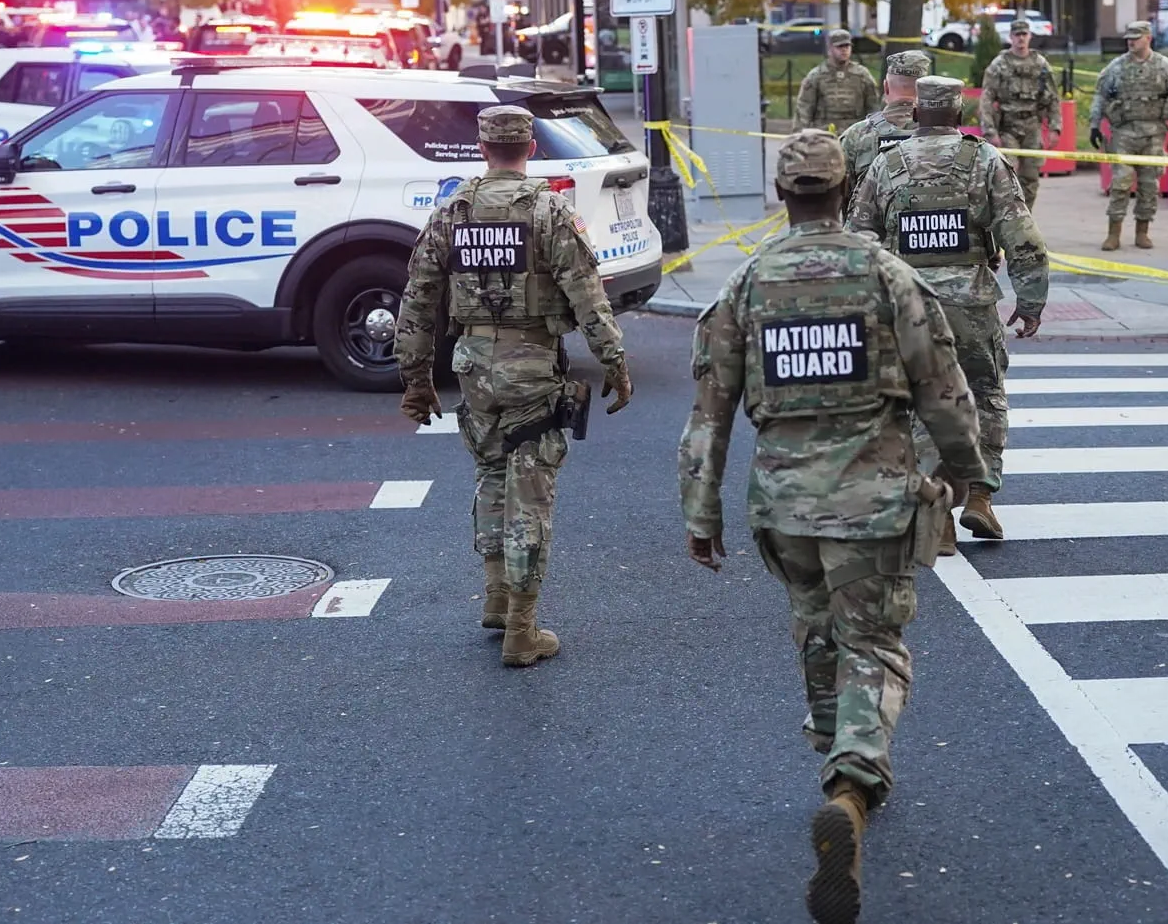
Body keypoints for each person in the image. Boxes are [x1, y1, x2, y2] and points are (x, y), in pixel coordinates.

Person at [679, 130, 993, 924]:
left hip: (783, 505)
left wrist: (700, 507)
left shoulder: (747, 283)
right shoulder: (888, 276)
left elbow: (709, 408)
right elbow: (941, 386)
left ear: (784, 197)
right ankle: (852, 778)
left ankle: (835, 751)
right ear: (847, 191)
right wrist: (968, 470)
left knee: (815, 627)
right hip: (873, 497)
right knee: (875, 643)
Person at [393, 105, 635, 666]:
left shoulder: (453, 210)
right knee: (530, 488)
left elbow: (418, 297)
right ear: (530, 146)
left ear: (482, 147)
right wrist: (615, 362)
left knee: (491, 473)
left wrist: (414, 377)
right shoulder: (549, 210)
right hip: (531, 364)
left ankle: (497, 597)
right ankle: (521, 631)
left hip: (473, 366)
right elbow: (586, 295)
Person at [849, 76, 1047, 553]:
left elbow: (858, 238)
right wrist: (1031, 299)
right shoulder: (983, 161)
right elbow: (1022, 237)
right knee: (986, 395)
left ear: (917, 115)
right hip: (971, 308)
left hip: (908, 306)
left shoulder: (885, 164)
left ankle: (934, 503)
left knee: (916, 404)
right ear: (960, 116)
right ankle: (980, 494)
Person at [1087, 20, 1168, 251]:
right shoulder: (1116, 67)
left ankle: (1142, 231)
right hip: (1123, 132)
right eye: (1128, 38)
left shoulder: (1165, 66)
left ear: (1148, 38)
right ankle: (1114, 233)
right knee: (1121, 182)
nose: (1131, 42)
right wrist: (1094, 125)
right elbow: (1100, 97)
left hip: (1153, 134)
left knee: (1148, 185)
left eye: (1136, 37)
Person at [980, 19, 1061, 208]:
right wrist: (990, 131)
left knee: (1030, 179)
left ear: (1030, 36)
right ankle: (1008, 220)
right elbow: (987, 98)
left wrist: (1055, 127)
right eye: (1017, 35)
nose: (1021, 39)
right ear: (1011, 37)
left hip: (1032, 126)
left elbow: (1052, 97)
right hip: (1008, 128)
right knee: (1008, 176)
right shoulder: (999, 64)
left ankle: (1026, 219)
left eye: (1024, 34)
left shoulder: (1040, 64)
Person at [838, 49, 932, 200]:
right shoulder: (944, 134)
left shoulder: (854, 136)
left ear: (886, 87)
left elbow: (840, 195)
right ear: (927, 89)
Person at [796, 29, 881, 132]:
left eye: (847, 46)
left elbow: (873, 106)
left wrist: (875, 131)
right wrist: (800, 136)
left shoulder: (862, 75)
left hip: (856, 133)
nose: (844, 50)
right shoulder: (816, 76)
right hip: (824, 134)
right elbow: (804, 109)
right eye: (839, 47)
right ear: (830, 49)